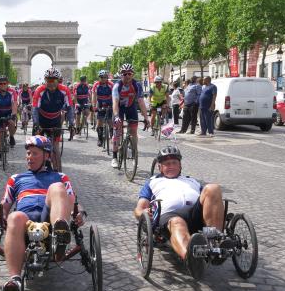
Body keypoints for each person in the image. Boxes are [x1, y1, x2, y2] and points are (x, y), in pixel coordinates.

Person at [0, 136, 84, 291]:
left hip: (50, 219)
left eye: (34, 153)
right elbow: (4, 204)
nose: (29, 157)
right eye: (28, 153)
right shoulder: (16, 178)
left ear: (46, 156)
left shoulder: (60, 177)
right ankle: (15, 281)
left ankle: (60, 234)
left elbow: (73, 201)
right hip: (25, 222)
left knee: (56, 188)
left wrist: (80, 214)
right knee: (14, 216)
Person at [133, 146, 226, 279]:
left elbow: (208, 200)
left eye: (174, 163)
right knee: (178, 222)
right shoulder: (152, 182)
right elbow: (138, 209)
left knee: (213, 188)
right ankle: (192, 259)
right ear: (160, 167)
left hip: (195, 215)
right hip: (169, 217)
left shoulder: (191, 180)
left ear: (180, 165)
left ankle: (214, 242)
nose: (171, 166)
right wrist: (143, 212)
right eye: (167, 163)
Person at [32, 68, 74, 171]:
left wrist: (71, 124)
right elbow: (35, 109)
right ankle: (36, 168)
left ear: (58, 80)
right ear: (45, 80)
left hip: (55, 120)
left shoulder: (64, 90)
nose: (51, 84)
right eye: (48, 81)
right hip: (42, 120)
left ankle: (58, 173)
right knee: (38, 146)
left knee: (55, 148)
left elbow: (70, 108)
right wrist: (36, 124)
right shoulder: (39, 90)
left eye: (54, 81)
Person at [111, 64, 149, 168]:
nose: (127, 76)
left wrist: (146, 118)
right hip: (119, 108)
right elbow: (115, 102)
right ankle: (114, 157)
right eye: (124, 74)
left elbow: (141, 102)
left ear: (132, 74)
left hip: (131, 108)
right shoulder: (117, 86)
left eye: (129, 73)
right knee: (117, 133)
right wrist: (117, 116)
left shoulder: (137, 85)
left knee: (133, 132)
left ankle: (134, 153)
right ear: (121, 75)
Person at [0, 75, 18, 160]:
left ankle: (11, 136)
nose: (2, 85)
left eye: (4, 83)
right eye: (1, 84)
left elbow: (14, 103)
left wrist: (14, 114)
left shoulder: (12, 92)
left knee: (12, 123)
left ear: (7, 84)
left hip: (9, 113)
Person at [92, 70, 114, 147]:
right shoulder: (96, 85)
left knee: (110, 121)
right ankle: (100, 139)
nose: (103, 79)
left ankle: (112, 137)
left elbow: (114, 96)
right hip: (100, 103)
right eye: (101, 77)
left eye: (105, 77)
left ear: (107, 78)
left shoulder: (111, 84)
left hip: (109, 102)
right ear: (99, 78)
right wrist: (94, 106)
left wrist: (114, 106)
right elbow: (94, 96)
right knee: (99, 123)